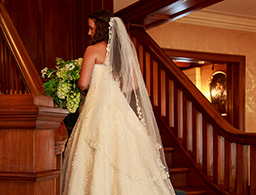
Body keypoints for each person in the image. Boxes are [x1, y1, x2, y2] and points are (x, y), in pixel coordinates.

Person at [62, 9, 175, 195]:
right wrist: (112, 90)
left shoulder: (92, 50)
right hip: (117, 105)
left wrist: (80, 83)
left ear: (99, 28)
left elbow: (83, 83)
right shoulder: (119, 52)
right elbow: (135, 83)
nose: (89, 33)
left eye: (91, 28)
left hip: (96, 106)